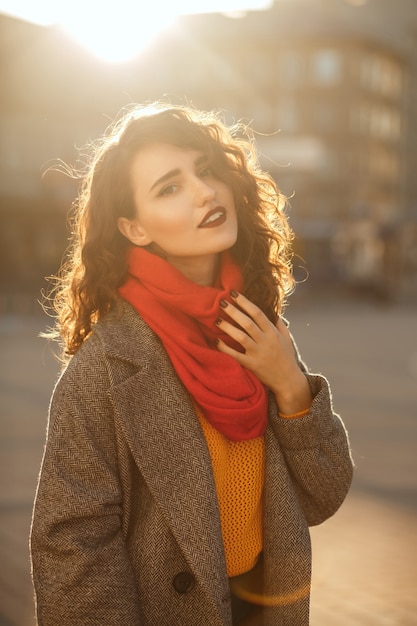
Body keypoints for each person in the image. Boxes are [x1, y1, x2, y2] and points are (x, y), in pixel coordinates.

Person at [30, 102, 353, 626]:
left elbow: (323, 496)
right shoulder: (104, 370)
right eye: (170, 188)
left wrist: (291, 386)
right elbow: (74, 550)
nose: (206, 192)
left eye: (205, 170)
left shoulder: (255, 328)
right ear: (134, 228)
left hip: (264, 607)